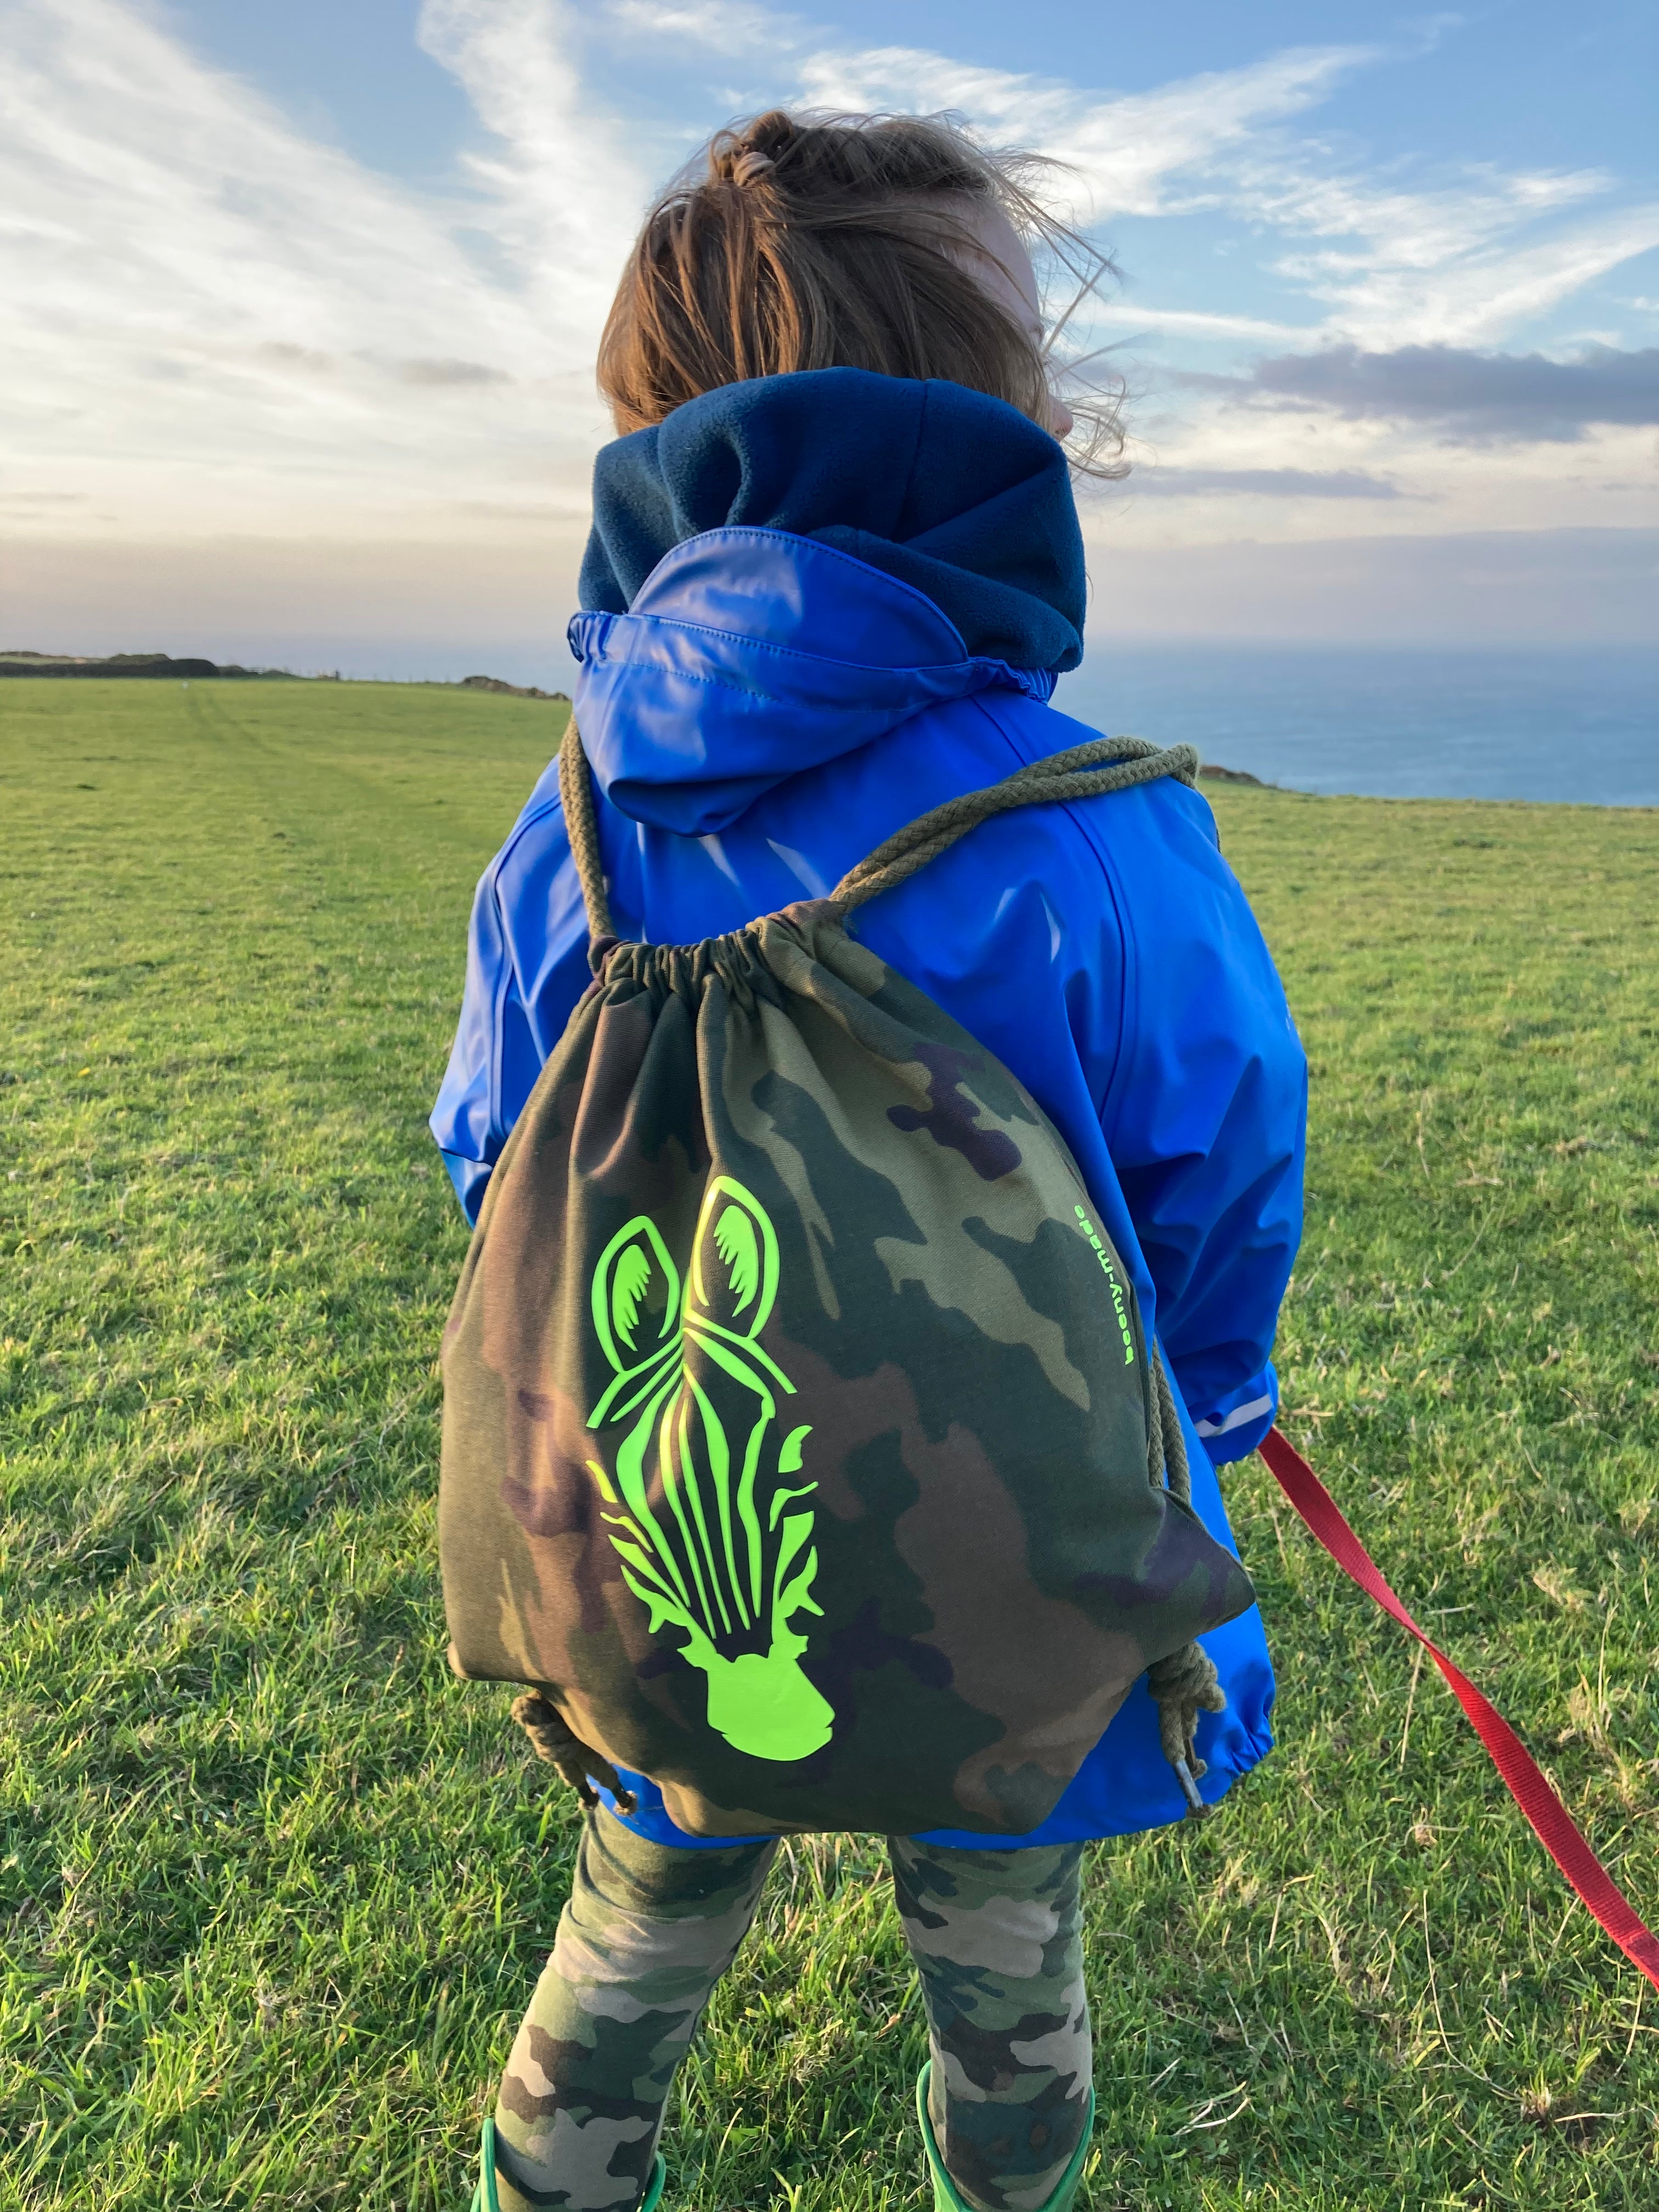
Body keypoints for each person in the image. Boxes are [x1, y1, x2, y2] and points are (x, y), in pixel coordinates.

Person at [432, 108, 1306, 2212]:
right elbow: (1217, 1177)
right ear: (1005, 426)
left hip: (662, 1520)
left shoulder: (568, 832)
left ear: (659, 435)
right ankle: (1004, 2183)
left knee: (640, 1906)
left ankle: (552, 2179)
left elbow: (494, 1159)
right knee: (1011, 1947)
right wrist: (1211, 1409)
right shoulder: (1103, 826)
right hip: (1014, 1549)